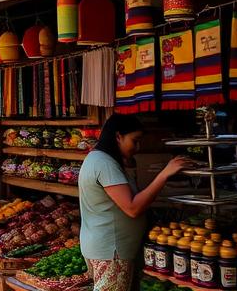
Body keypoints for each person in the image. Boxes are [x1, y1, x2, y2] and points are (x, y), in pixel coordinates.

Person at [78, 114, 192, 291]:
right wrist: (164, 174)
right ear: (118, 136)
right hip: (111, 252)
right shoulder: (104, 163)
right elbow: (132, 208)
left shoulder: (99, 159)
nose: (137, 147)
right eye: (135, 140)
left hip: (106, 249)